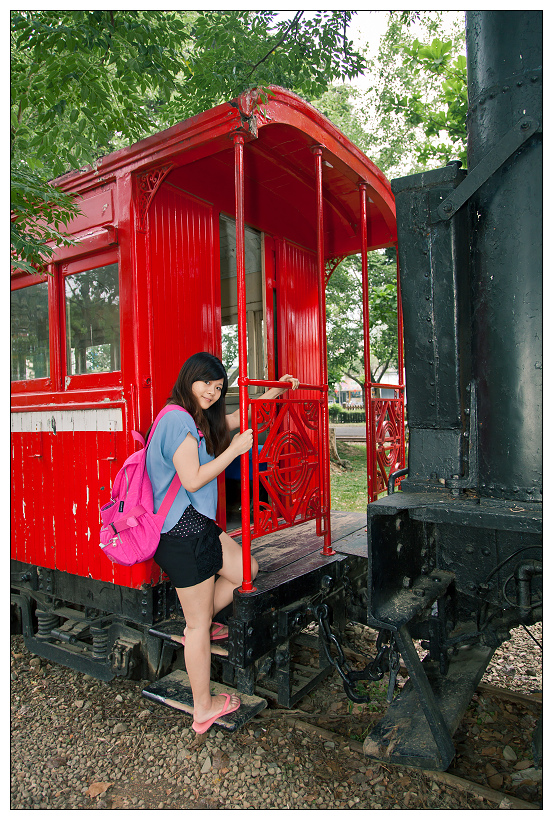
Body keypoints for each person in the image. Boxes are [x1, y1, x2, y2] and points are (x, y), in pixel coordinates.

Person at [146, 352, 299, 733]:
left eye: (218, 388)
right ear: (189, 378)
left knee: (246, 569)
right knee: (196, 628)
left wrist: (273, 392)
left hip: (196, 526)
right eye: (206, 384)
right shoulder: (177, 420)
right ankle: (203, 708)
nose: (212, 393)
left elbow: (233, 418)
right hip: (180, 533)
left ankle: (202, 617)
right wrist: (233, 451)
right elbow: (194, 479)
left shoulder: (193, 416)